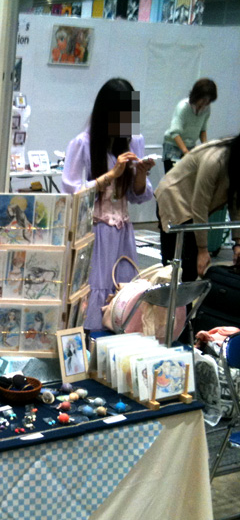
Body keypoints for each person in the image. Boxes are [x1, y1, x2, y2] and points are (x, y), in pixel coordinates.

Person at [62, 78, 156, 332]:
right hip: (94, 234)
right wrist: (111, 175)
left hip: (123, 234)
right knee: (93, 288)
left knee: (123, 292)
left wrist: (140, 174)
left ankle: (115, 345)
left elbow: (137, 195)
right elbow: (72, 194)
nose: (126, 123)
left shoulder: (134, 141)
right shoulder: (82, 144)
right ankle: (88, 341)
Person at [155, 135, 240, 280]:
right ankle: (172, 292)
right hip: (174, 197)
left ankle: (185, 291)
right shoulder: (215, 159)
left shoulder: (234, 159)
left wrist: (238, 243)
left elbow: (236, 202)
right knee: (175, 266)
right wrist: (202, 250)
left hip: (192, 201)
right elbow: (200, 204)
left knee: (190, 268)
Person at [162, 78, 217, 173]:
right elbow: (174, 132)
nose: (206, 103)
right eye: (204, 99)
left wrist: (205, 147)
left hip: (190, 146)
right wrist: (186, 152)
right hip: (173, 146)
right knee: (173, 177)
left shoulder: (207, 108)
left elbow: (203, 129)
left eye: (209, 101)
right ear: (197, 95)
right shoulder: (183, 107)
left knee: (187, 178)